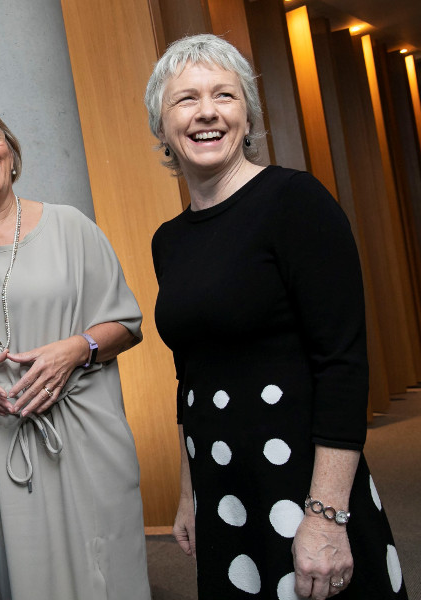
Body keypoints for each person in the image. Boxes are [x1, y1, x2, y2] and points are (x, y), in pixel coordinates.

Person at [146, 34, 407, 600]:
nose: (208, 112)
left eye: (225, 95)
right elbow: (189, 377)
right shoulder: (168, 241)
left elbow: (342, 365)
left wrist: (325, 516)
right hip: (223, 485)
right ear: (161, 127)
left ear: (248, 115)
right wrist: (191, 494)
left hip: (305, 483)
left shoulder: (296, 202)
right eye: (186, 100)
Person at [0, 98, 150, 599]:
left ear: (12, 151)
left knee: (109, 575)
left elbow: (126, 322)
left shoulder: (71, 227)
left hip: (85, 436)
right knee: (28, 582)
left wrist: (76, 348)